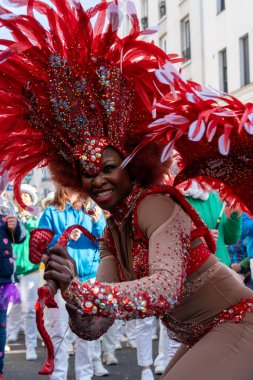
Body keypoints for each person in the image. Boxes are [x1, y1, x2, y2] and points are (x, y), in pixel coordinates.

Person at [1, 2, 253, 380]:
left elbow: (162, 292)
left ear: (132, 165)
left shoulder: (154, 204)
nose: (97, 180)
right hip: (200, 333)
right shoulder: (112, 231)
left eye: (107, 168)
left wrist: (81, 291)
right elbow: (95, 326)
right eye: (87, 173)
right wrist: (69, 288)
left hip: (235, 322)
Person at [38, 187, 106, 380]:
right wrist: (64, 238)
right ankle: (57, 376)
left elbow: (104, 242)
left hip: (88, 279)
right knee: (58, 331)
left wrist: (98, 220)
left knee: (86, 332)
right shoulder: (51, 212)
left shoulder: (93, 210)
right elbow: (41, 245)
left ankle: (84, 376)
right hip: (59, 279)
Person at [182, 181, 242, 266]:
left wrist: (234, 213)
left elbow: (230, 239)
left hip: (223, 266)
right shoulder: (176, 197)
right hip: (197, 270)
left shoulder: (216, 196)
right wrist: (201, 238)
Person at [12, 184, 40, 361]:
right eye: (20, 197)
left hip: (31, 269)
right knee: (12, 305)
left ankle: (31, 346)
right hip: (13, 269)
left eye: (27, 197)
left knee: (29, 309)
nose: (23, 200)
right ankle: (11, 333)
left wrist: (27, 221)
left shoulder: (36, 219)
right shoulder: (9, 217)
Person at [0, 193, 26, 380]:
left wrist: (15, 227)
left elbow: (21, 236)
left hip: (3, 280)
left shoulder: (5, 210)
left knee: (1, 327)